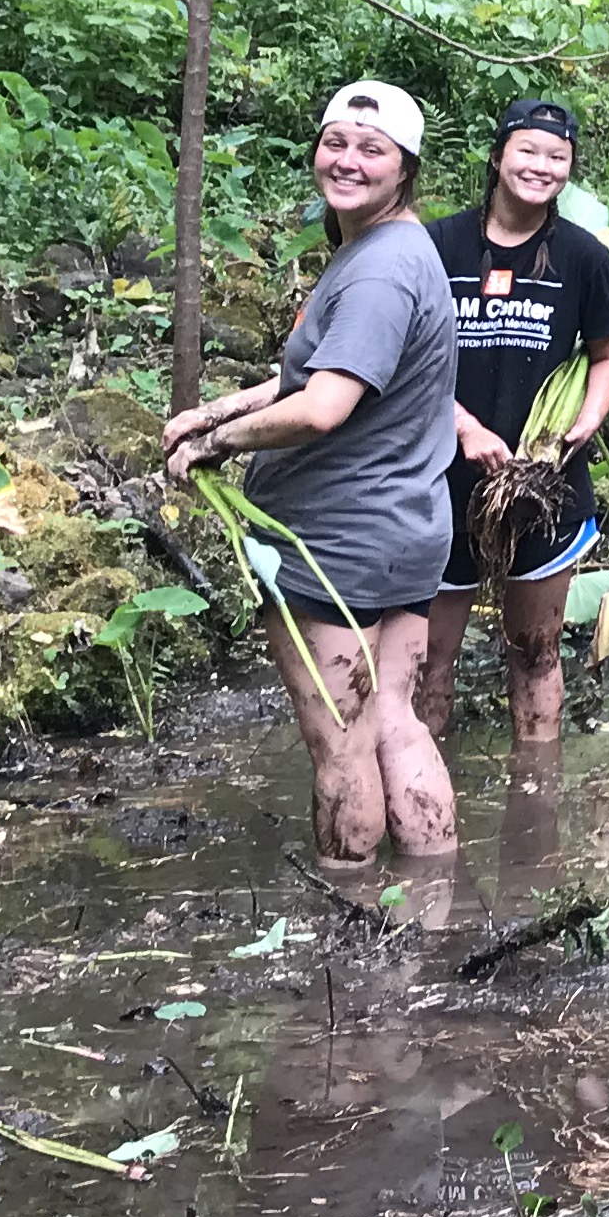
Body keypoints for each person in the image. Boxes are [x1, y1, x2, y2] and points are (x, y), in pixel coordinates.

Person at [164, 80, 461, 862]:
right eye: (336, 143)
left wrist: (224, 446)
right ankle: (437, 894)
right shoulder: (393, 250)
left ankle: (351, 906)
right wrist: (216, 412)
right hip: (406, 528)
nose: (349, 161)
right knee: (395, 718)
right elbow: (323, 368)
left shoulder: (378, 272)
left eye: (373, 151)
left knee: (342, 744)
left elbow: (324, 404)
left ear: (407, 169)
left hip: (339, 544)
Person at [416, 98, 609, 754]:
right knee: (429, 662)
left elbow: (607, 357)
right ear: (497, 155)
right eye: (528, 151)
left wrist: (587, 420)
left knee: (535, 653)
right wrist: (463, 428)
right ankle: (419, 797)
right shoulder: (436, 244)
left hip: (544, 484)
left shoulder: (584, 258)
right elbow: (402, 363)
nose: (540, 166)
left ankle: (534, 811)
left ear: (569, 170)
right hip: (440, 483)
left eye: (556, 157)